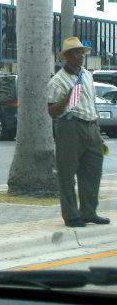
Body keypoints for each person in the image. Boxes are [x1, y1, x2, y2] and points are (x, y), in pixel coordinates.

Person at [47, 37, 110, 228]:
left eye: (81, 52)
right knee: (67, 173)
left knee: (92, 171)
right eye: (75, 52)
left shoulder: (87, 75)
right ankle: (72, 215)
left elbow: (90, 103)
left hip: (91, 126)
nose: (80, 56)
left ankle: (89, 212)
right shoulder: (58, 81)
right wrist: (68, 98)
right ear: (66, 56)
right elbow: (52, 111)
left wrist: (97, 129)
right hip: (70, 126)